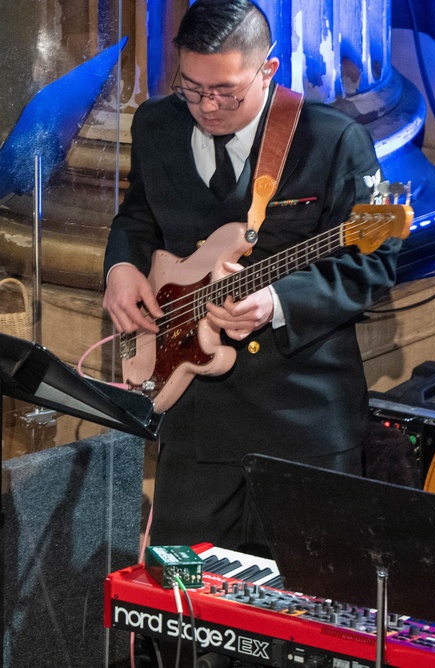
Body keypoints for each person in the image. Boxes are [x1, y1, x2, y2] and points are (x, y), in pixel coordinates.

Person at [102, 0, 400, 556]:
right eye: (192, 88)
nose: (207, 106)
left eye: (226, 91)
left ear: (269, 70)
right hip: (194, 421)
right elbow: (138, 217)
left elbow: (375, 260)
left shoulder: (333, 140)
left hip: (303, 424)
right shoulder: (156, 124)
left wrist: (275, 303)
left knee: (301, 600)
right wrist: (121, 268)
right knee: (181, 597)